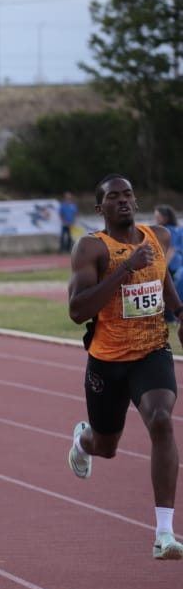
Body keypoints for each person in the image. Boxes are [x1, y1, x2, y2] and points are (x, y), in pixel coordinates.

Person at [68, 174, 183, 559]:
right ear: (100, 208)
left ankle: (164, 534)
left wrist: (180, 311)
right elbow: (77, 310)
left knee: (161, 420)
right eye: (113, 196)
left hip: (152, 352)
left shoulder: (158, 237)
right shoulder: (91, 248)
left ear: (136, 201)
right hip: (108, 361)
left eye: (128, 194)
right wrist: (124, 269)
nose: (123, 200)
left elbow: (161, 277)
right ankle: (83, 442)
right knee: (106, 446)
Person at [154, 204, 183, 324]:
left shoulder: (169, 230)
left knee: (170, 291)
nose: (156, 219)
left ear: (165, 217)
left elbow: (172, 249)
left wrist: (163, 265)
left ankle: (171, 317)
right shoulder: (165, 229)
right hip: (172, 263)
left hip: (172, 264)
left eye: (158, 217)